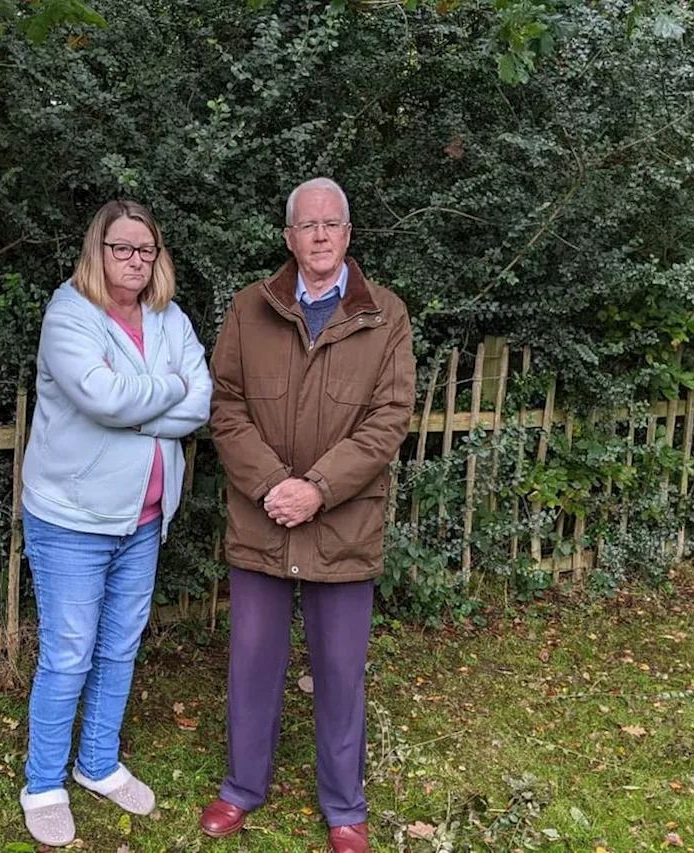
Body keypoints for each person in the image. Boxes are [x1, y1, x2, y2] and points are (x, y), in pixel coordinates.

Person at [200, 178, 416, 853]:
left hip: (343, 524)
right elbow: (226, 405)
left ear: (348, 236)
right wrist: (273, 483)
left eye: (332, 224)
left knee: (342, 670)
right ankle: (241, 788)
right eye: (306, 225)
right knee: (253, 660)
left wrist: (318, 488)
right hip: (262, 517)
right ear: (288, 238)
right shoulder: (247, 309)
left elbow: (388, 421)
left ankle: (345, 807)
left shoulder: (387, 316)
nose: (320, 236)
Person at [18, 200, 213, 847]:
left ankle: (96, 762)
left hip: (145, 518)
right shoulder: (69, 313)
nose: (135, 259)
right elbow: (100, 398)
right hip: (72, 517)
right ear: (96, 250)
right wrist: (165, 391)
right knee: (69, 652)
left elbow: (202, 399)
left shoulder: (169, 317)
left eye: (146, 249)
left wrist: (137, 402)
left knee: (120, 647)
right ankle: (43, 782)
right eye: (122, 247)